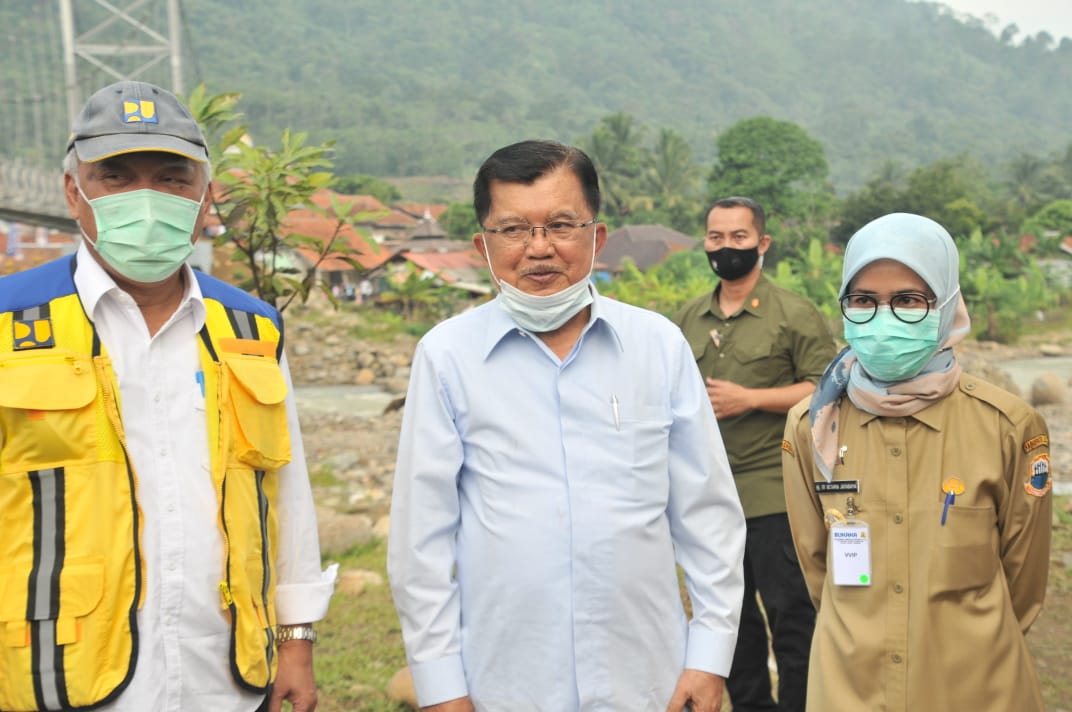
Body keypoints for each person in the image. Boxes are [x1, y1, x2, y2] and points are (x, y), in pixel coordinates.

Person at [0, 80, 336, 712]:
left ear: (206, 195)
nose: (146, 199)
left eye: (172, 178)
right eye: (117, 176)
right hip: (56, 676)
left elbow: (285, 491)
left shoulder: (250, 326)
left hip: (225, 676)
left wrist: (296, 635)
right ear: (74, 192)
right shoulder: (9, 322)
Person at [387, 140, 746, 712]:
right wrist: (440, 687)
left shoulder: (657, 346)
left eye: (560, 224)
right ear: (483, 245)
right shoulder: (447, 356)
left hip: (647, 677)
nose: (538, 249)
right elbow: (421, 539)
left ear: (596, 237)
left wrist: (709, 657)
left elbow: (708, 517)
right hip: (506, 681)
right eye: (512, 230)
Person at [782, 212, 1052, 711]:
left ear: (946, 304)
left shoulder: (1008, 426)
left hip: (977, 686)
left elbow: (1025, 580)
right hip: (849, 687)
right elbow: (817, 565)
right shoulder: (811, 426)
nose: (884, 318)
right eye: (863, 301)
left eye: (908, 300)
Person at [673, 197, 834, 712]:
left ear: (762, 243)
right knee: (728, 621)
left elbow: (827, 388)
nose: (726, 248)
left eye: (738, 238)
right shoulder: (686, 320)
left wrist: (752, 400)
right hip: (708, 497)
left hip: (774, 490)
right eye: (716, 238)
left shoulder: (793, 313)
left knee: (791, 616)